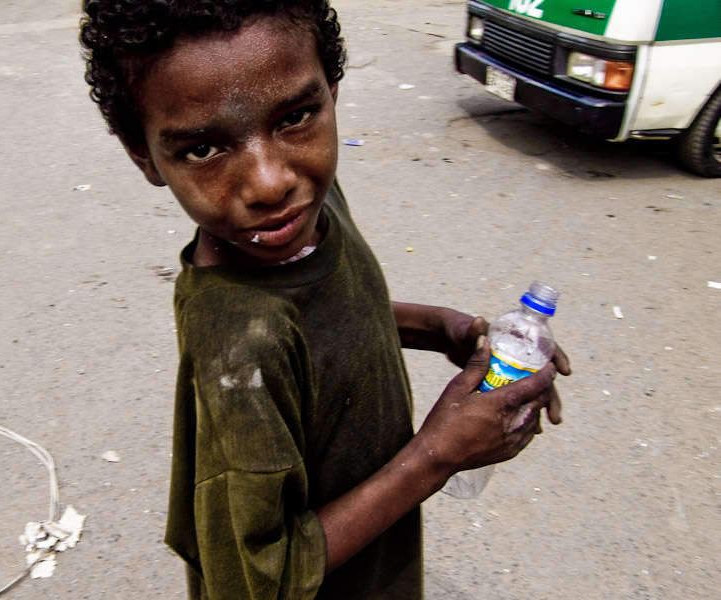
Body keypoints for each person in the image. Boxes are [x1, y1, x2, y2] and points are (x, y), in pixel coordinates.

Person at [80, 1, 571, 598]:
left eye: (294, 117)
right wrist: (436, 455)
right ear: (145, 157)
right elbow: (260, 579)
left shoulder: (311, 207)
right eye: (204, 150)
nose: (270, 182)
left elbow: (326, 319)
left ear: (331, 94)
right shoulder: (240, 344)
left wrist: (434, 325)